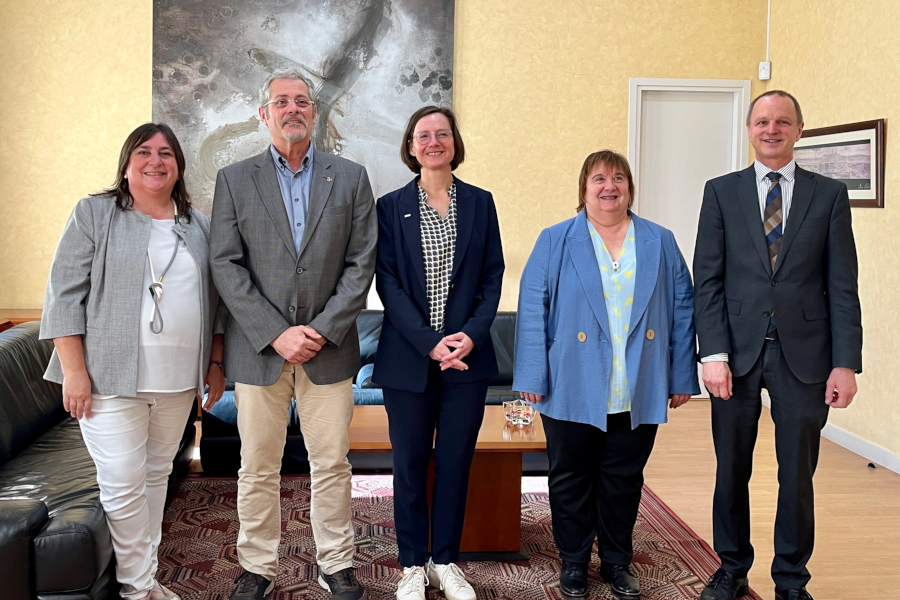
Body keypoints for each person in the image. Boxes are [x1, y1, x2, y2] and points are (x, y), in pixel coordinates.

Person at [40, 123, 226, 600]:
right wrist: (74, 372)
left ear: (178, 167)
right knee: (123, 485)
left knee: (156, 477)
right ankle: (137, 589)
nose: (155, 161)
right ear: (126, 165)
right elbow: (63, 296)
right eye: (144, 152)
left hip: (178, 380)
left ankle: (146, 579)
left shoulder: (199, 225)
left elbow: (217, 301)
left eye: (166, 153)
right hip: (107, 378)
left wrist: (215, 362)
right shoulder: (94, 214)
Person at [209, 69, 377, 600]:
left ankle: (337, 564)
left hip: (329, 352)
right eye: (281, 101)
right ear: (264, 114)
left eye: (301, 101)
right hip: (259, 351)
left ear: (314, 112)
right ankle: (257, 566)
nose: (292, 109)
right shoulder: (234, 179)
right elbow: (225, 264)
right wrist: (276, 333)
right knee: (258, 465)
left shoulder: (350, 177)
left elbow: (361, 263)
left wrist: (321, 331)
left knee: (332, 464)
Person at [693, 91, 862, 600]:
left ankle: (791, 579)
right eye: (763, 121)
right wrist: (713, 354)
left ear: (799, 130)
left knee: (798, 477)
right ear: (749, 129)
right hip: (736, 355)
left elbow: (843, 285)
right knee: (731, 471)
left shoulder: (829, 195)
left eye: (783, 122)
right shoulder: (721, 192)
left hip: (806, 357)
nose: (772, 129)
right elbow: (708, 280)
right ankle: (731, 568)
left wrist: (845, 363)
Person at [514, 150, 699, 600]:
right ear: (583, 189)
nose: (609, 186)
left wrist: (681, 375)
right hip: (571, 379)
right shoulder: (555, 239)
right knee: (570, 477)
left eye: (618, 178)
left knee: (624, 479)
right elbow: (532, 309)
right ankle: (574, 562)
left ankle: (617, 561)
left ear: (630, 188)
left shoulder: (660, 240)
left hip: (638, 381)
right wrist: (532, 376)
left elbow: (683, 309)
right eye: (598, 178)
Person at [372, 106, 504, 600]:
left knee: (454, 463)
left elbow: (492, 276)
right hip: (408, 359)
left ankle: (445, 561)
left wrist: (470, 334)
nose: (433, 142)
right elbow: (387, 282)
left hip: (467, 359)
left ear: (454, 142)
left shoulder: (480, 203)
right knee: (408, 465)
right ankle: (411, 564)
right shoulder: (390, 207)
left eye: (442, 134)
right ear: (411, 146)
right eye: (423, 135)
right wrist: (430, 342)